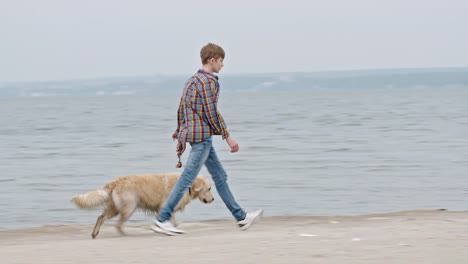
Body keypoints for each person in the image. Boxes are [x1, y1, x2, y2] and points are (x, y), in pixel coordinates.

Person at [152, 43, 263, 235]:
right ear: (212, 60)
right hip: (202, 138)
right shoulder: (209, 82)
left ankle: (241, 217)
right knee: (187, 178)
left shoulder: (192, 81)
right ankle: (162, 219)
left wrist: (181, 136)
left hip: (200, 137)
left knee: (220, 177)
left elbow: (181, 110)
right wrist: (227, 137)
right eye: (221, 61)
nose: (222, 65)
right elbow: (211, 113)